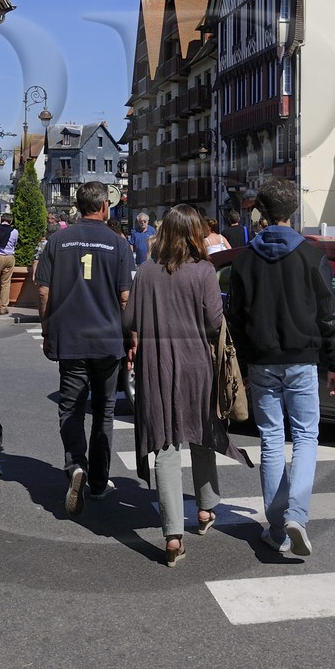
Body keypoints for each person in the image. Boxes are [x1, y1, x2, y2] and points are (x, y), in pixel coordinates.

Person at [225, 178, 335, 560]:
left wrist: (244, 365)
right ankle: (297, 514)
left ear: (261, 211)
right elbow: (329, 313)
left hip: (263, 360)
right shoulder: (310, 255)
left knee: (272, 438)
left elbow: (235, 318)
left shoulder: (245, 259)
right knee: (306, 436)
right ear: (293, 211)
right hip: (302, 357)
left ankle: (277, 528)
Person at [130, 203, 249, 567]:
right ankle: (206, 509)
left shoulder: (146, 271)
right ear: (196, 233)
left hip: (156, 365)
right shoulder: (203, 271)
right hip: (196, 364)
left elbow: (129, 320)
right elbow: (214, 322)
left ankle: (172, 536)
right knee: (202, 433)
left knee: (165, 446)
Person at [37, 181, 136, 516]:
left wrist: (47, 328)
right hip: (107, 340)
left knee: (71, 409)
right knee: (104, 411)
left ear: (78, 207)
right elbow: (126, 298)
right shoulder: (118, 244)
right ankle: (98, 481)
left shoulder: (57, 240)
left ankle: (75, 464)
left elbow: (43, 291)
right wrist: (132, 337)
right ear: (104, 206)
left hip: (70, 337)